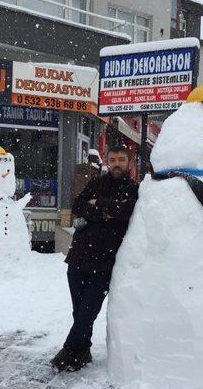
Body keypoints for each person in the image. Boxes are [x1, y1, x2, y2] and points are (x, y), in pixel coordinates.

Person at [50, 145, 139, 372]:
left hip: (105, 262)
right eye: (112, 159)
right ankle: (83, 349)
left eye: (121, 159)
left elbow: (126, 211)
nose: (116, 163)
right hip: (78, 257)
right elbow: (78, 206)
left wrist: (97, 204)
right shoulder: (96, 183)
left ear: (129, 162)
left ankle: (69, 350)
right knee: (79, 309)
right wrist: (105, 212)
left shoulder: (134, 189)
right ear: (107, 162)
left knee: (88, 310)